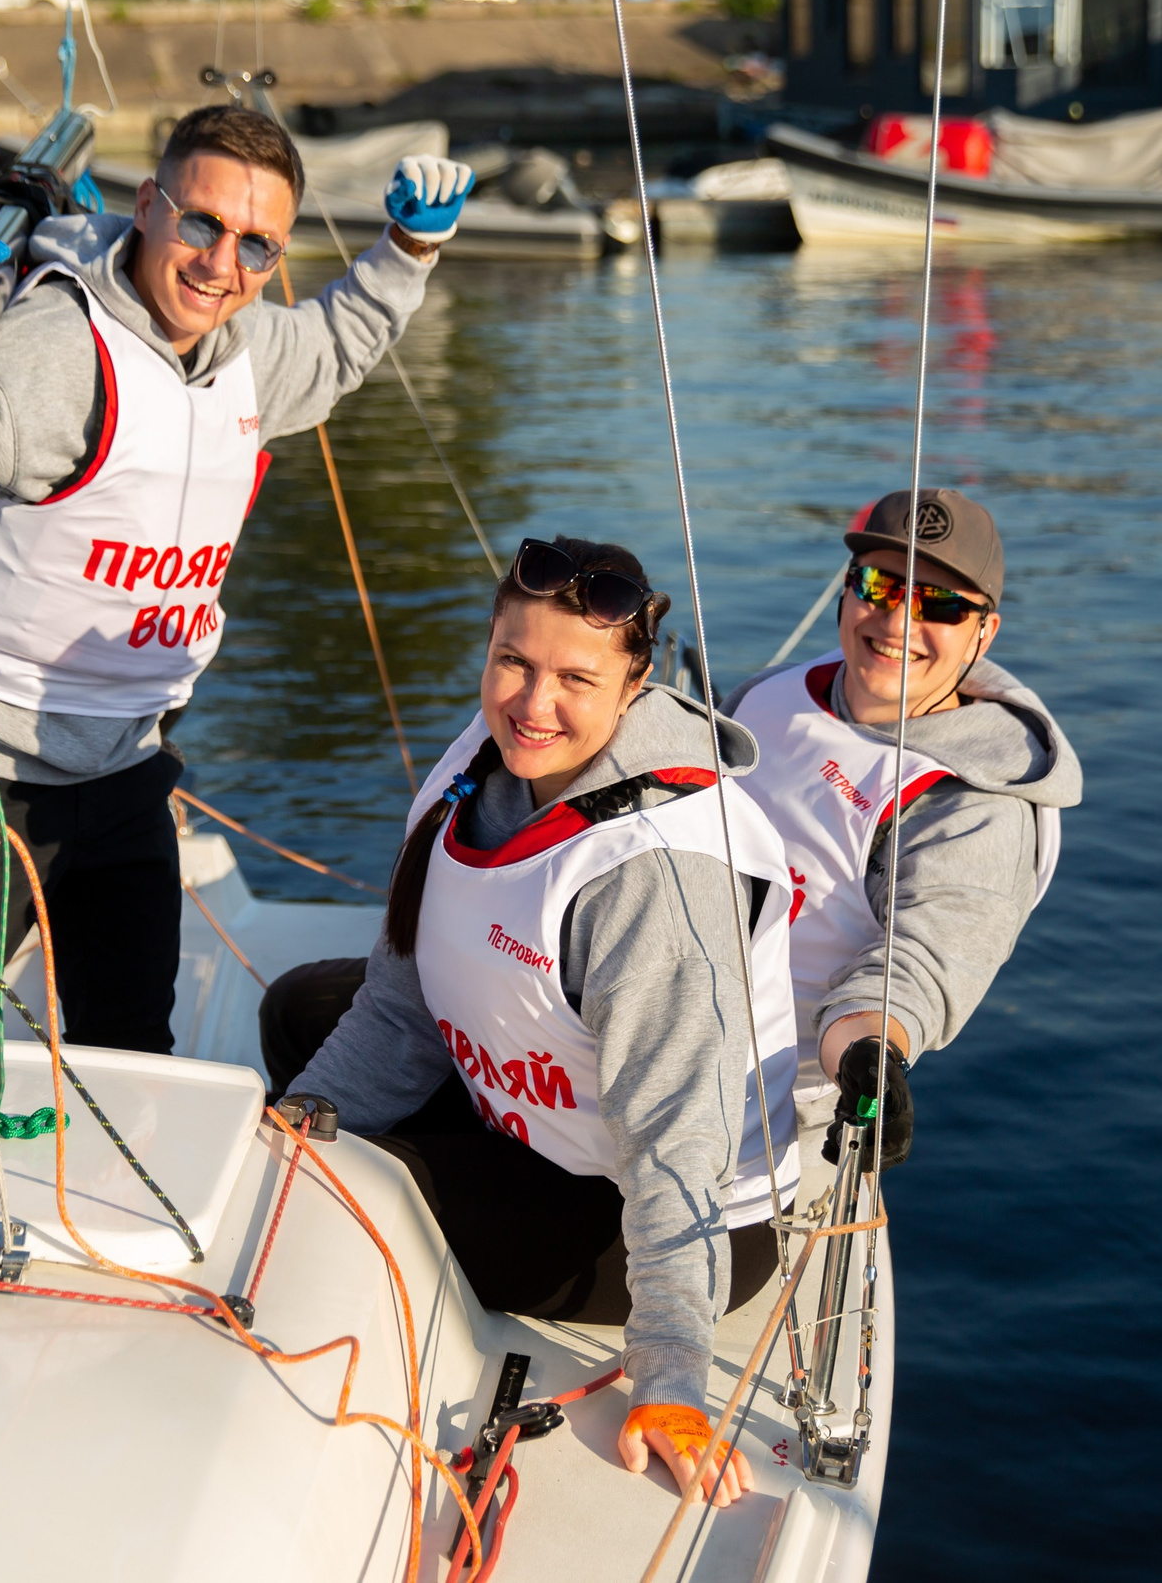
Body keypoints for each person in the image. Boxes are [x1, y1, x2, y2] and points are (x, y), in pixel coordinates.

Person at [264, 536, 798, 1509]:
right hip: (531, 1116)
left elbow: (675, 1142)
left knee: (363, 1196)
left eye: (573, 678)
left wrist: (673, 1378)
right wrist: (300, 1121)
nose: (531, 703)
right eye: (513, 660)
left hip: (640, 1210)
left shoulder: (654, 877)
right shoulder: (479, 762)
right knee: (299, 1016)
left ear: (634, 687)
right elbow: (398, 1003)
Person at [0, 104, 475, 1053]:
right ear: (148, 206)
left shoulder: (251, 352)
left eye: (257, 246)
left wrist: (408, 248)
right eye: (200, 224)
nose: (222, 265)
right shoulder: (60, 355)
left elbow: (341, 344)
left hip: (129, 769)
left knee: (136, 1043)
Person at [724, 489, 1081, 1167]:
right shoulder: (767, 694)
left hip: (759, 1129)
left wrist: (870, 1052)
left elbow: (919, 966)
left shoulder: (975, 805)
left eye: (939, 604)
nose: (896, 620)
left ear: (986, 630)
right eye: (880, 584)